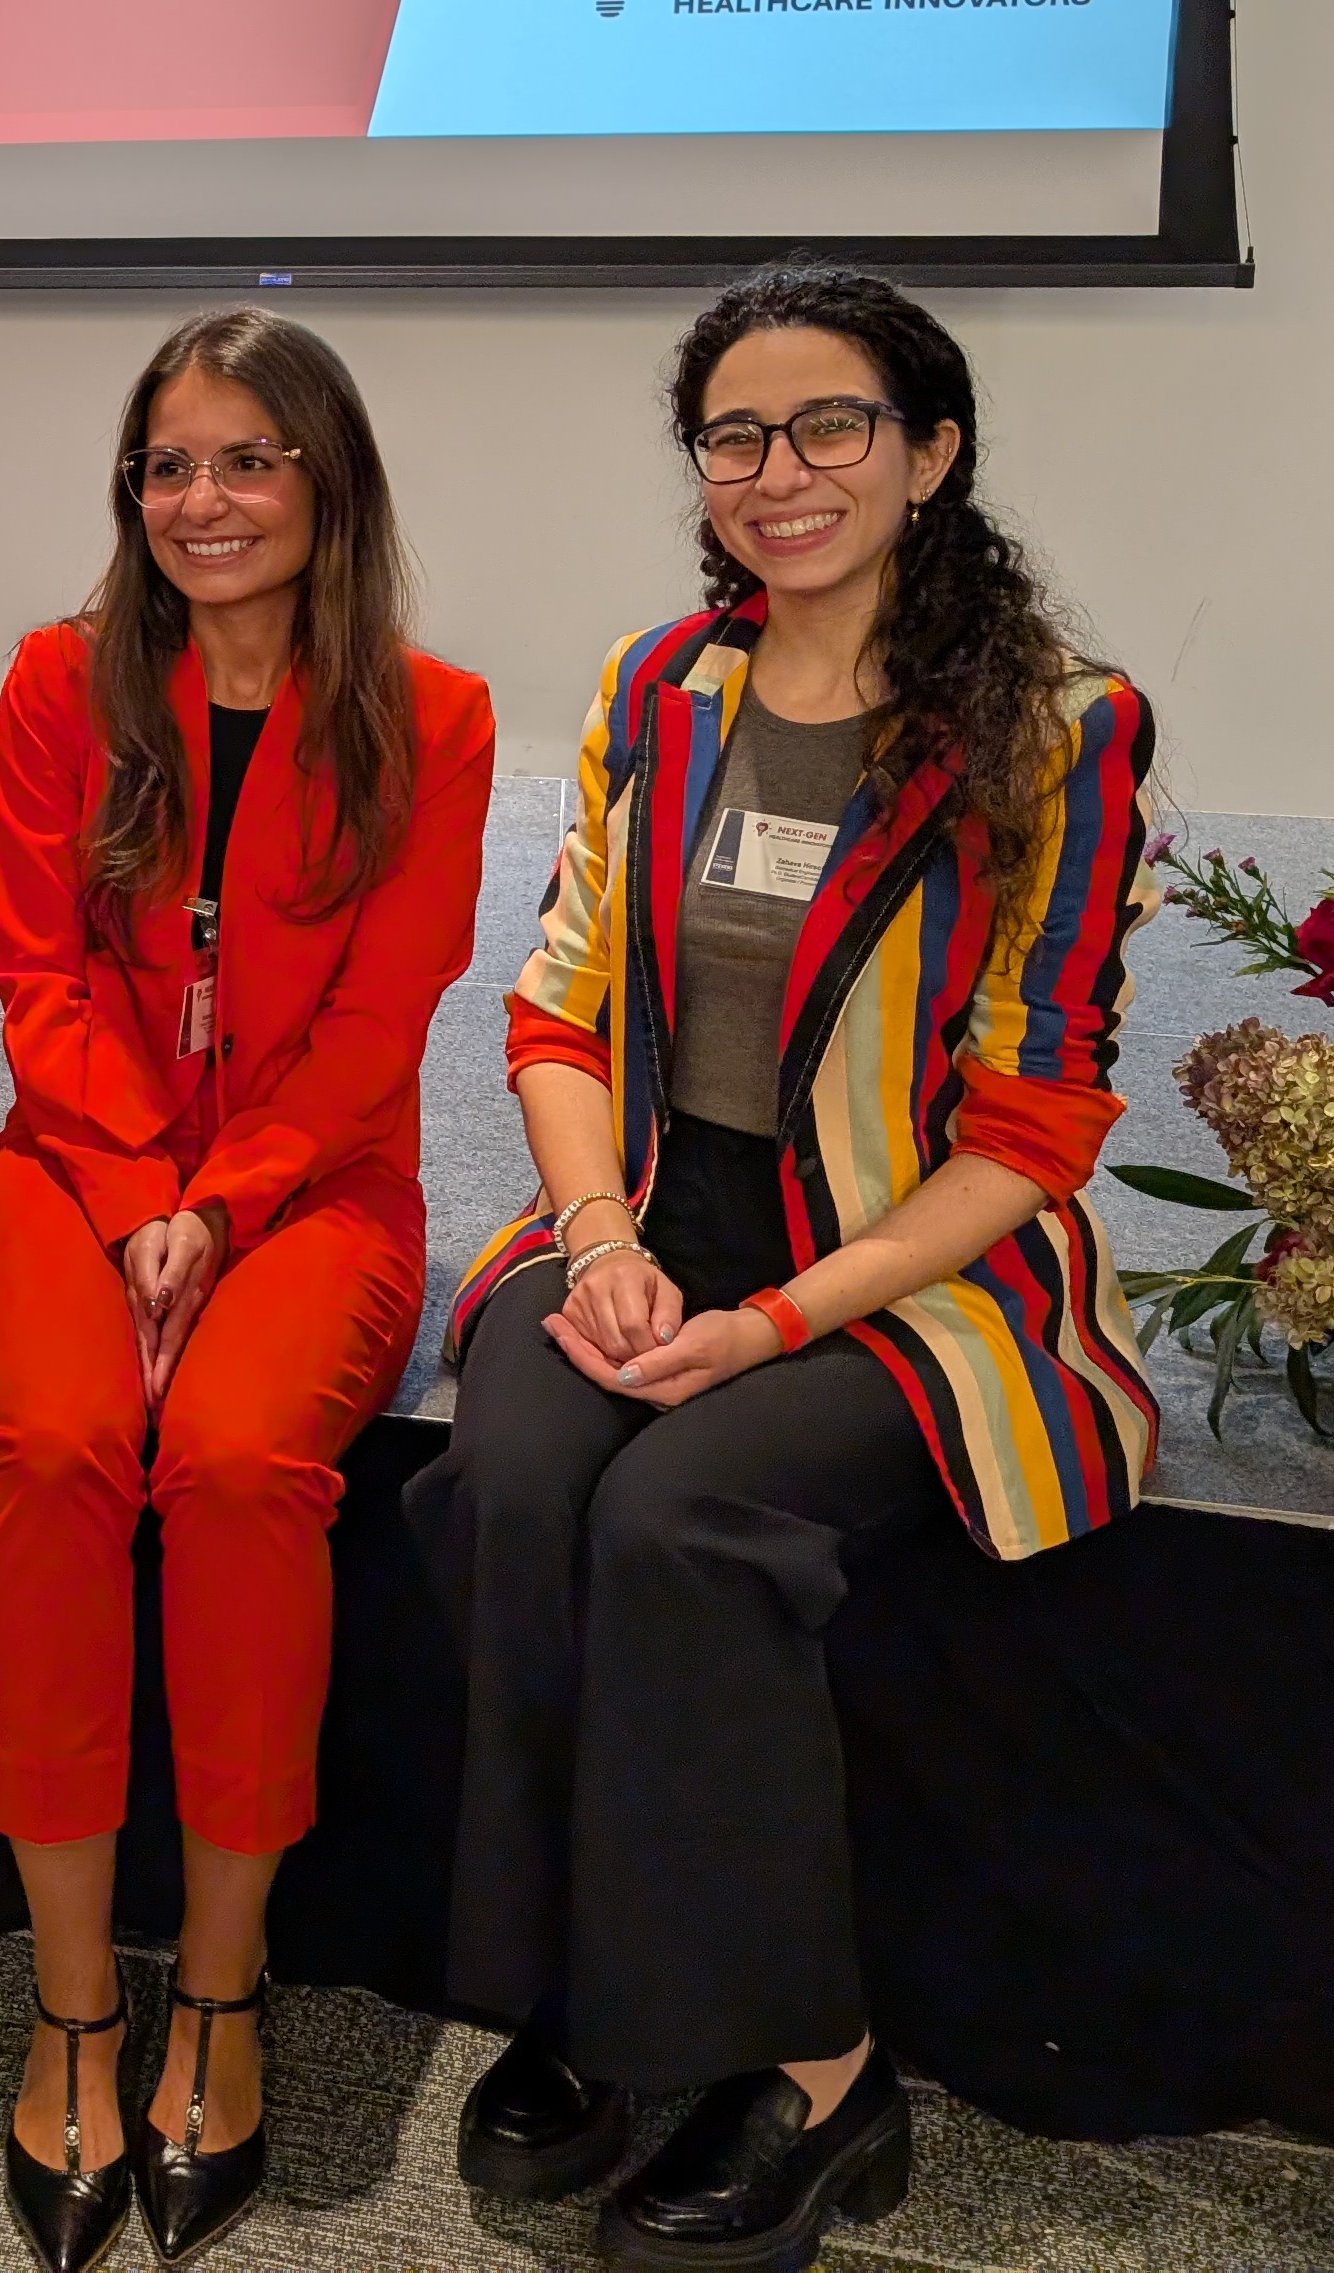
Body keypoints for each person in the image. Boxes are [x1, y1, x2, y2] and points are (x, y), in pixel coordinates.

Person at [409, 261, 1160, 2273]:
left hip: (915, 1260)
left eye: (834, 424)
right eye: (735, 435)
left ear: (932, 453)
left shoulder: (1058, 729)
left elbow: (1037, 1120)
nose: (780, 471)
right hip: (657, 1209)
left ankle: (826, 2080)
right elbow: (557, 1009)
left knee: (679, 1515)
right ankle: (588, 1990)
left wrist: (774, 1323)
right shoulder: (662, 686)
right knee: (512, 1474)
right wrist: (601, 1240)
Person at [0, 308, 495, 2271]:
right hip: (74, 1168)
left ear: (327, 481)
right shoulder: (60, 680)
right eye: (169, 464)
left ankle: (219, 1987)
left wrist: (229, 1198)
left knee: (249, 1461)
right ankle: (73, 2006)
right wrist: (135, 1200)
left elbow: (382, 1021)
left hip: (319, 1187)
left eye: (249, 459)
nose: (204, 500)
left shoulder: (433, 718)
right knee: (53, 1448)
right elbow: (34, 976)